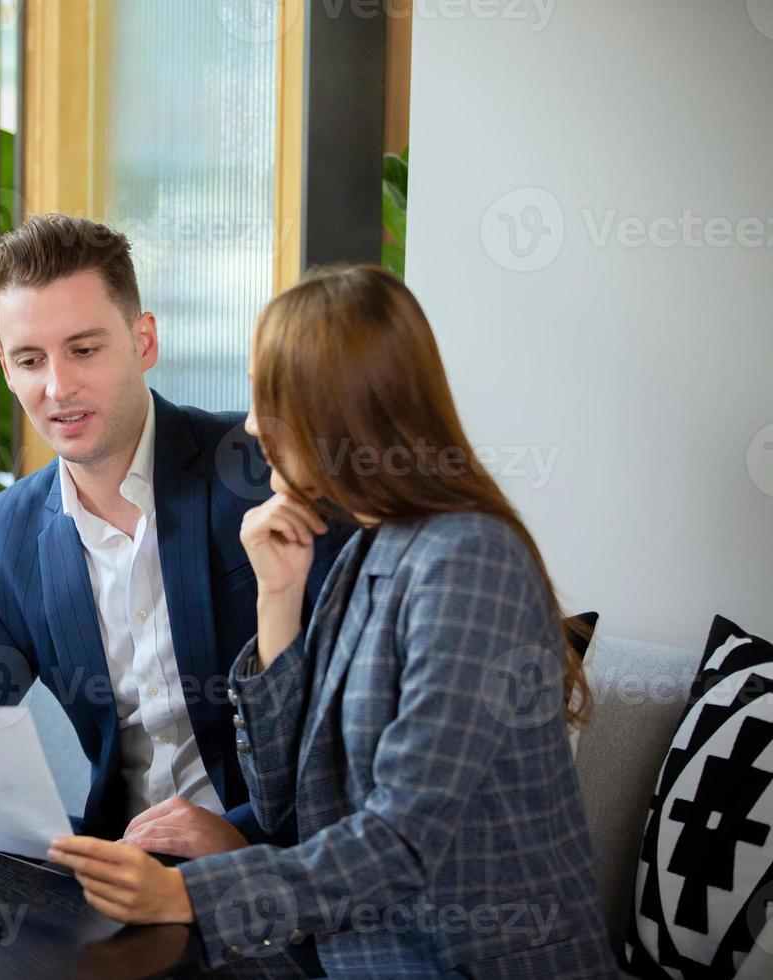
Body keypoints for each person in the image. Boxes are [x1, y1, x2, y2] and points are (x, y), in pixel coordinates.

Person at [48, 265, 616, 978]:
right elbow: (288, 803)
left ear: (340, 412)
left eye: (270, 400)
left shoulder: (470, 561)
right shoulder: (368, 550)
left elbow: (401, 842)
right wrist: (277, 599)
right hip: (360, 955)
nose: (253, 424)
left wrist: (183, 893)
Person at [0, 214, 349, 854]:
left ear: (144, 340)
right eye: (30, 359)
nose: (58, 386)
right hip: (109, 877)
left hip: (279, 878)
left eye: (84, 349)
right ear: (6, 368)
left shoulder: (268, 470)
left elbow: (350, 729)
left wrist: (240, 842)